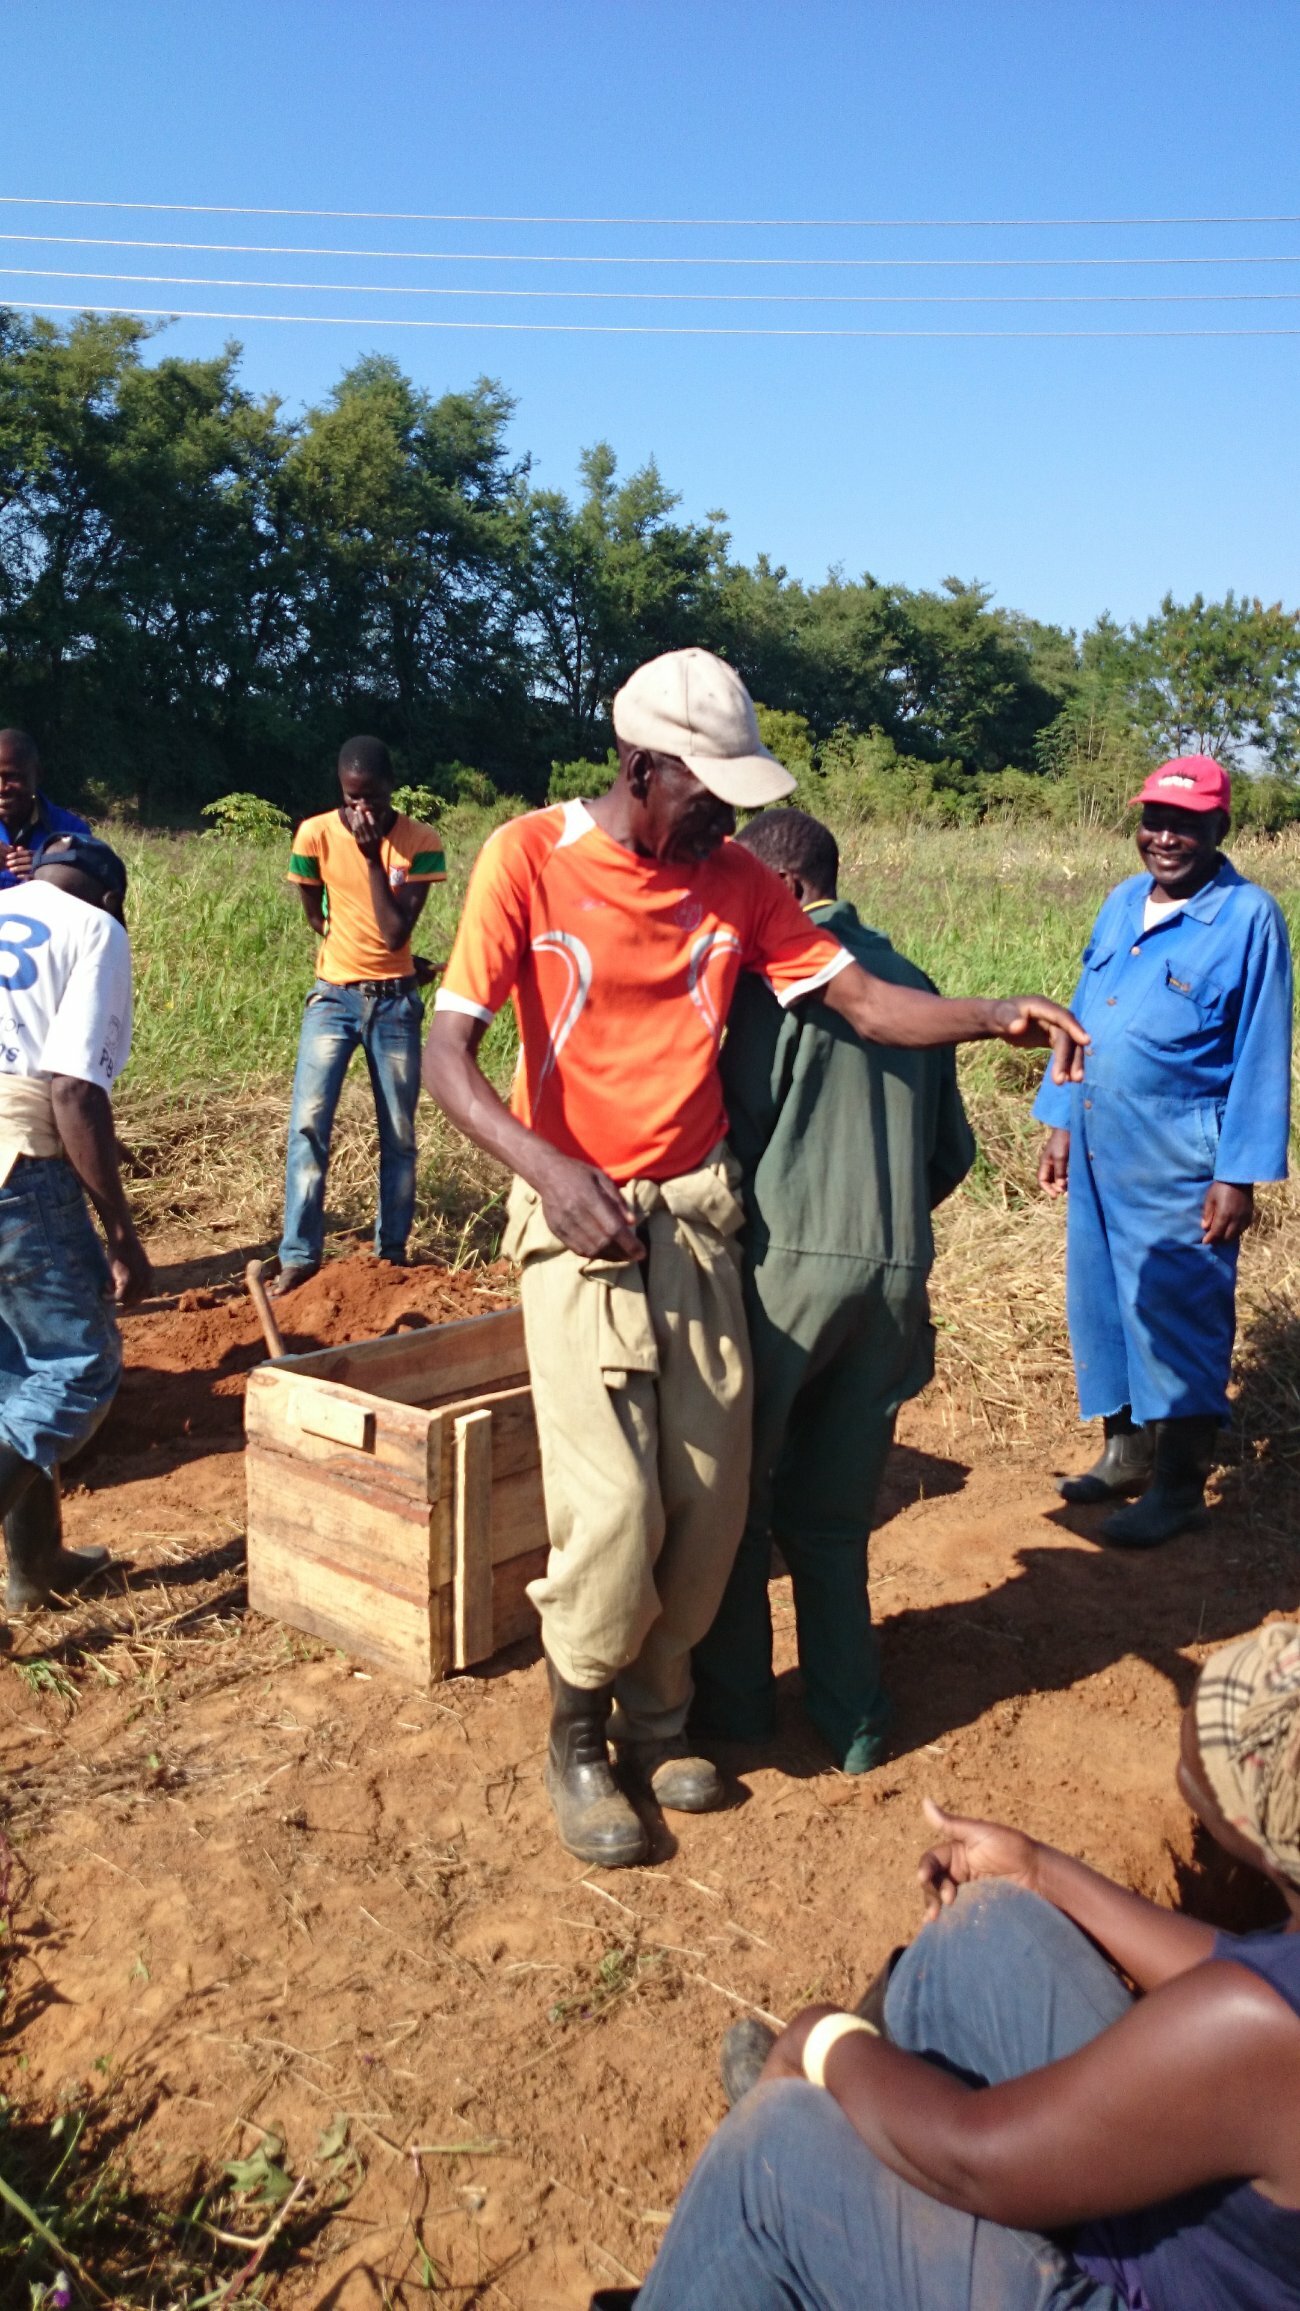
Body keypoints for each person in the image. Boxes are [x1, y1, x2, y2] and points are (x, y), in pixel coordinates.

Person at [425, 646, 1086, 1870]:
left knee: (707, 1500)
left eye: (737, 798)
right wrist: (548, 1169)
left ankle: (658, 1721)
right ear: (639, 766)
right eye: (706, 792)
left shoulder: (735, 880)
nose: (724, 819)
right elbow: (446, 1055)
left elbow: (864, 1004)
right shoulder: (526, 855)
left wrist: (993, 1014)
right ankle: (576, 1738)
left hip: (696, 1218)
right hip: (577, 1223)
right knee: (614, 1506)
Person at [623, 1617, 1300, 2311]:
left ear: (1245, 1827)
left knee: (774, 2155)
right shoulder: (1265, 2006)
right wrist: (1039, 1867)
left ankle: (782, 2199)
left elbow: (974, 2161)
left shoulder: (1262, 2031)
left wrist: (820, 2041)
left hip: (1136, 2277)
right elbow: (1233, 1970)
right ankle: (847, 2155)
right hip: (1197, 2244)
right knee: (983, 1933)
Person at [691, 807, 975, 1774]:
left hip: (786, 1272)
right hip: (894, 1275)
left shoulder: (776, 978)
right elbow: (950, 1152)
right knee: (834, 1515)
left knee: (738, 1504)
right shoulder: (914, 984)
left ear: (779, 887)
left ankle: (736, 1708)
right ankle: (853, 1718)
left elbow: (733, 1132)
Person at [1036, 754, 1292, 1548]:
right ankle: (1126, 1454)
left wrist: (1238, 1174)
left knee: (1180, 1312)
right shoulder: (1122, 901)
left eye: (1186, 824)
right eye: (1155, 820)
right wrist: (1060, 1117)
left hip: (1181, 1152)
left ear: (1220, 828)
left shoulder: (1248, 917)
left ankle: (1179, 1489)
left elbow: (1261, 1050)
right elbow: (1081, 1012)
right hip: (1098, 1137)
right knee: (1105, 1299)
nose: (1166, 837)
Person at [0, 833, 152, 1614]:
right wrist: (120, 1230)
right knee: (78, 1365)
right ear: (111, 898)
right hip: (18, 1163)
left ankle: (36, 1568)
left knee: (12, 1372)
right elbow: (72, 1090)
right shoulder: (95, 927)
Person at [276, 737, 446, 1293]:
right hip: (333, 999)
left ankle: (390, 1254)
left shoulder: (420, 842)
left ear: (391, 787)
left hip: (395, 1003)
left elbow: (396, 933)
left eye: (371, 798)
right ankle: (299, 1255)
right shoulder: (314, 835)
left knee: (398, 1132)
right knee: (308, 1125)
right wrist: (345, 949)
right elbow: (315, 914)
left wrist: (373, 858)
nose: (360, 811)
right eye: (351, 799)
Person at [0, 728, 91, 890]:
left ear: (38, 775)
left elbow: (93, 890)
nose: (2, 788)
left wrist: (50, 871)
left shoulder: (72, 831)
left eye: (13, 776)